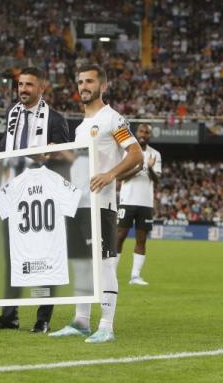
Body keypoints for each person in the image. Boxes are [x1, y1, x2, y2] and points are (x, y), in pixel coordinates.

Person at [49, 63, 143, 343]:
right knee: (81, 264)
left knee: (104, 264)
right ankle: (80, 321)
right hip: (78, 203)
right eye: (79, 82)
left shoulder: (113, 119)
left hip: (100, 205)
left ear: (103, 86)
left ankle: (107, 325)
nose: (83, 86)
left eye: (89, 81)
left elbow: (136, 154)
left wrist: (110, 174)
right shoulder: (81, 127)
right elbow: (80, 164)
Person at [0, 66, 69, 334]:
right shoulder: (12, 114)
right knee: (11, 256)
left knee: (43, 258)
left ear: (42, 87)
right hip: (14, 193)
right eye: (20, 85)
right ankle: (9, 315)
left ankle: (43, 318)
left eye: (29, 85)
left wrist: (53, 155)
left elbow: (69, 158)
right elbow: (6, 145)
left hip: (42, 200)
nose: (23, 90)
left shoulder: (55, 120)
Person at [115, 123, 162, 286]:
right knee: (119, 236)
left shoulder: (155, 154)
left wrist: (149, 168)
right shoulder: (127, 152)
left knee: (141, 239)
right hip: (127, 201)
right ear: (136, 132)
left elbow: (157, 179)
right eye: (141, 131)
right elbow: (119, 177)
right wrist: (137, 168)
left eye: (147, 132)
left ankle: (135, 276)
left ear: (150, 135)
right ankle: (111, 274)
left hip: (145, 203)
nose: (144, 134)